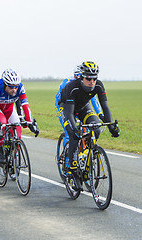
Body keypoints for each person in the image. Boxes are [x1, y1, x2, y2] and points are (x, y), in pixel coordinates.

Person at [58, 61, 120, 190]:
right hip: (67, 108)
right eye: (88, 78)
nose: (92, 81)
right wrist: (74, 129)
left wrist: (111, 126)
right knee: (73, 135)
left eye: (94, 78)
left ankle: (87, 153)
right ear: (81, 77)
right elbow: (69, 113)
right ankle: (73, 170)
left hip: (83, 107)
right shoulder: (71, 86)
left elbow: (104, 107)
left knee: (96, 127)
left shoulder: (99, 86)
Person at [0, 68, 39, 163]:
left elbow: (25, 106)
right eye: (10, 87)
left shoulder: (20, 88)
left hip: (9, 107)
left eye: (16, 87)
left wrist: (30, 123)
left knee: (17, 129)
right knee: (2, 123)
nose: (14, 89)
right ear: (5, 84)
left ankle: (13, 159)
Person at [55, 65, 103, 148]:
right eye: (76, 75)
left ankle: (87, 152)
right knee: (69, 132)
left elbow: (94, 100)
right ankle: (67, 159)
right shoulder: (67, 82)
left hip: (79, 107)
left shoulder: (87, 84)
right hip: (64, 106)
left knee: (89, 128)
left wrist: (100, 114)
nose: (78, 77)